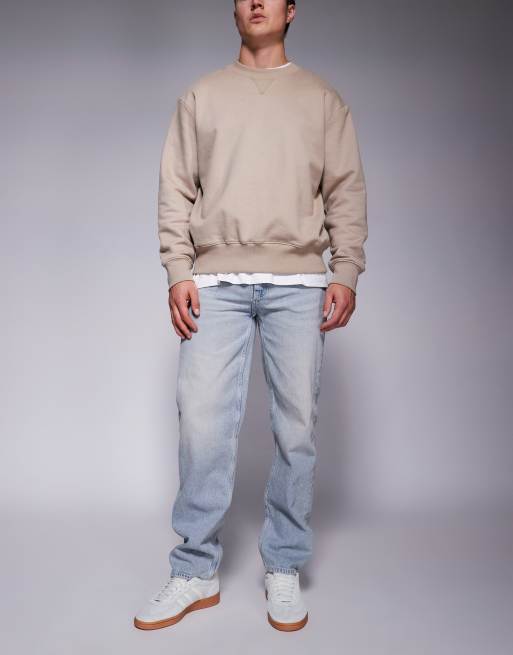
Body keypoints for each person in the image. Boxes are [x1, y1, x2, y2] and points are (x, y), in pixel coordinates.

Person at [134, 0, 367, 633]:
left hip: (300, 282)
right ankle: (195, 569)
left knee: (296, 429)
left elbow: (345, 190)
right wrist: (178, 270)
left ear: (292, 10)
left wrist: (345, 270)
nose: (256, 2)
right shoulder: (202, 96)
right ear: (234, 9)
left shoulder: (322, 100)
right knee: (201, 424)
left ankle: (283, 564)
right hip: (215, 282)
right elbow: (175, 188)